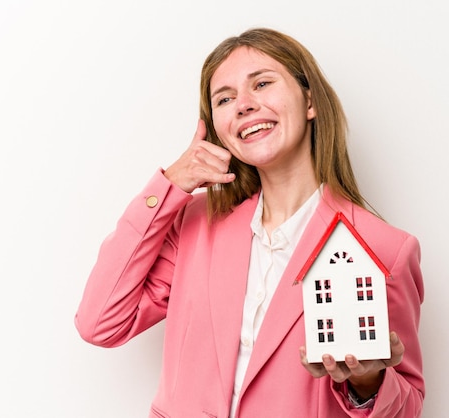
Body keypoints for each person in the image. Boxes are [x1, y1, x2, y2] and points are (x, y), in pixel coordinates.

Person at [75, 27, 425, 418]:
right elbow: (100, 323)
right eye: (225, 98)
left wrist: (368, 383)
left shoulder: (382, 248)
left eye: (262, 84)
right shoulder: (195, 224)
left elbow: (407, 407)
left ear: (310, 100)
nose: (243, 104)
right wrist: (169, 186)